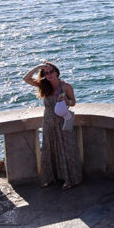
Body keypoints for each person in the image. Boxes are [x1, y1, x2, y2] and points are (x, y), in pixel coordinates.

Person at [23, 62, 82, 190]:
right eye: (46, 73)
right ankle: (50, 178)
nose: (49, 75)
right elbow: (26, 79)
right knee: (49, 149)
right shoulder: (44, 85)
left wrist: (66, 100)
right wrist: (37, 68)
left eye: (51, 72)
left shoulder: (66, 86)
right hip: (48, 121)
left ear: (56, 72)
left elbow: (73, 102)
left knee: (66, 149)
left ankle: (70, 179)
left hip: (62, 121)